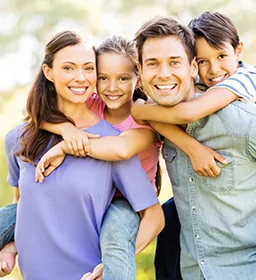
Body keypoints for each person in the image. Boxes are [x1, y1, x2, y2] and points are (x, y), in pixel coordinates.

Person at [132, 12, 256, 279]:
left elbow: (188, 113)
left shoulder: (244, 115)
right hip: (193, 272)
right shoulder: (157, 118)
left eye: (174, 62)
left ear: (190, 68)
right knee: (169, 217)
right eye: (153, 63)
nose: (164, 74)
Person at [0, 30, 164, 280]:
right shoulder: (18, 138)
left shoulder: (113, 142)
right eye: (68, 68)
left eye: (87, 68)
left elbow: (153, 215)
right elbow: (24, 204)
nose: (80, 77)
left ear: (137, 79)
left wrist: (111, 266)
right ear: (48, 72)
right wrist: (13, 244)